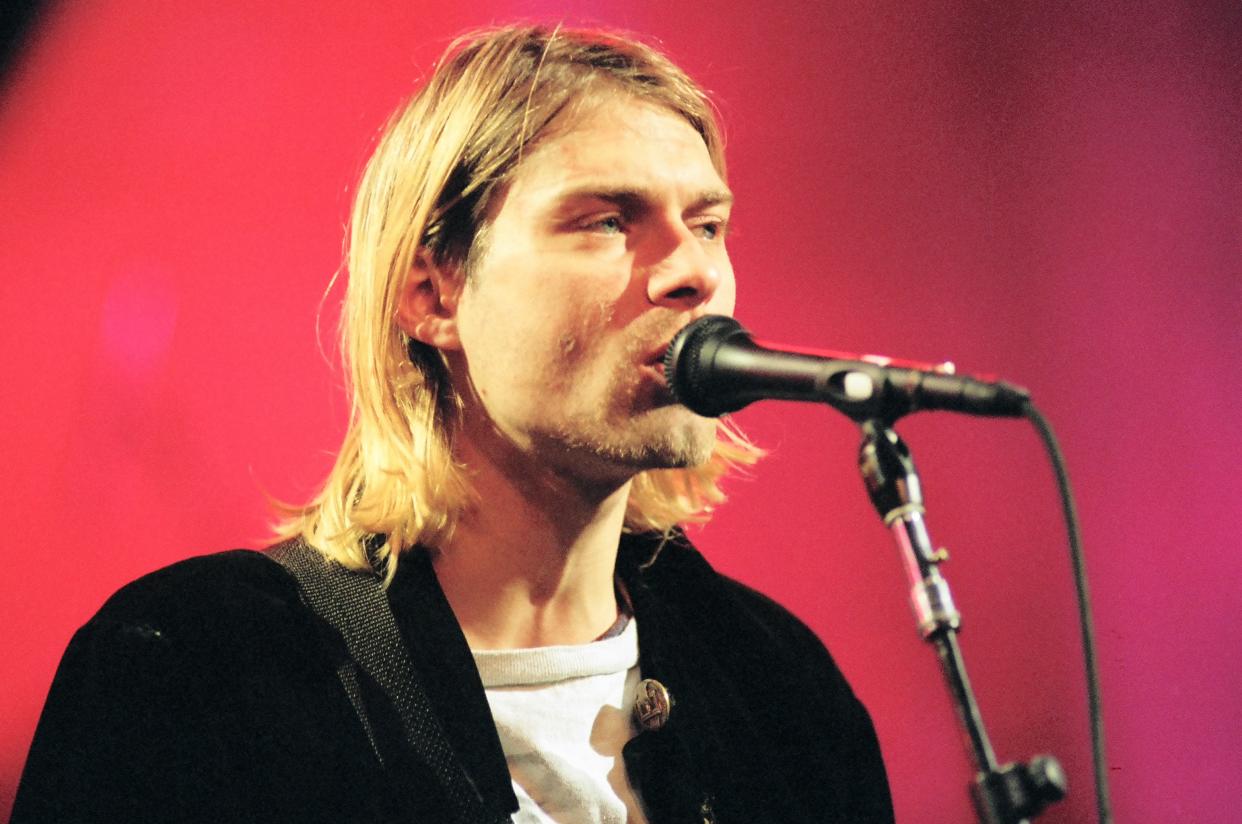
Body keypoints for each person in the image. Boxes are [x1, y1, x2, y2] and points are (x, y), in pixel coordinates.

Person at [13, 25, 893, 824]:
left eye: (708, 224)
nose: (693, 272)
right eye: (608, 222)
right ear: (433, 293)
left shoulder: (780, 691)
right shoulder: (195, 671)